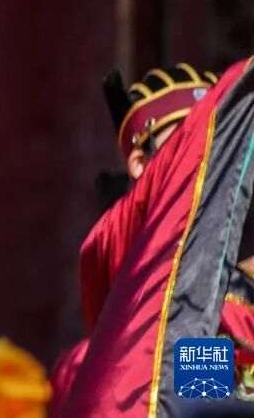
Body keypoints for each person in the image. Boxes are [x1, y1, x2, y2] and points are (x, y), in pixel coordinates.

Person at [55, 62, 254, 415]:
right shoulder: (118, 233)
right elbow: (184, 374)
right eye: (187, 138)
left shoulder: (214, 261)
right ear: (138, 162)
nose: (203, 154)